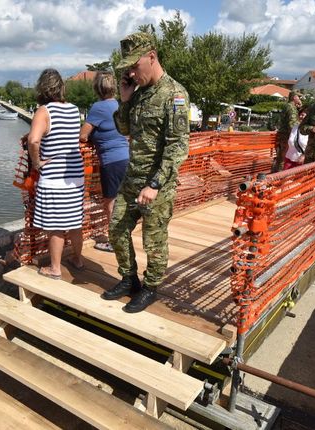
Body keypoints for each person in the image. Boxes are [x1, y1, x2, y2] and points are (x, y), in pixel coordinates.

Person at [102, 31, 190, 313]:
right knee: (116, 229)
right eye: (126, 68)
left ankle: (150, 287)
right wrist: (125, 99)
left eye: (134, 65)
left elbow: (177, 147)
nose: (130, 72)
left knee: (153, 240)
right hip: (131, 179)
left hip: (157, 185)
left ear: (151, 57)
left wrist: (154, 184)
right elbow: (124, 129)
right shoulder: (137, 94)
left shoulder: (174, 95)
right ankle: (129, 279)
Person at [25, 69, 85, 279]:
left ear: (42, 87)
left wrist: (36, 162)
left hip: (55, 177)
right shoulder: (74, 109)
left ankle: (55, 268)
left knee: (56, 226)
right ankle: (78, 259)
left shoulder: (44, 111)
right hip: (76, 174)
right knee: (75, 222)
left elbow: (33, 140)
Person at [79, 72, 130, 252]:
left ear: (97, 88)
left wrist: (92, 137)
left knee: (109, 203)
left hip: (111, 161)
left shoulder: (98, 107)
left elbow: (83, 135)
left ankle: (114, 242)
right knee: (122, 201)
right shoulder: (120, 104)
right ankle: (123, 236)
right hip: (126, 157)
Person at [272, 91, 302, 172]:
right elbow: (292, 124)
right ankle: (279, 177)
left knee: (280, 157)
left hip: (282, 135)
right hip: (287, 136)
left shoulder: (287, 106)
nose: (300, 99)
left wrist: (299, 108)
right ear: (294, 97)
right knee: (284, 157)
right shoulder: (291, 108)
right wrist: (297, 136)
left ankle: (275, 173)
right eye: (298, 97)